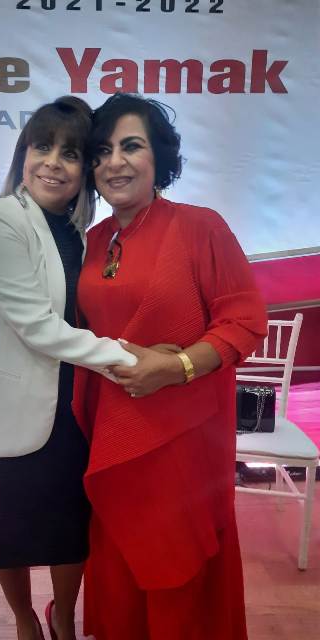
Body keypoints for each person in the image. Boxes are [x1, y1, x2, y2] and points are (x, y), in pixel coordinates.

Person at [72, 93, 268, 640]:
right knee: (120, 552)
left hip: (184, 437)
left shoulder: (200, 227)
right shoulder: (94, 241)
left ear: (159, 157)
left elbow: (245, 321)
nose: (114, 163)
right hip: (112, 432)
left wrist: (177, 365)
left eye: (131, 146)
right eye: (102, 151)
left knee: (178, 558)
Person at [0, 96, 143, 640]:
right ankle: (25, 620)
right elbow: (37, 326)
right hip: (3, 407)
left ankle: (63, 618)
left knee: (69, 531)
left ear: (86, 170)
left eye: (71, 153)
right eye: (42, 147)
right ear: (23, 154)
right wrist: (133, 358)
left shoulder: (82, 234)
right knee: (4, 534)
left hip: (71, 409)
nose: (53, 163)